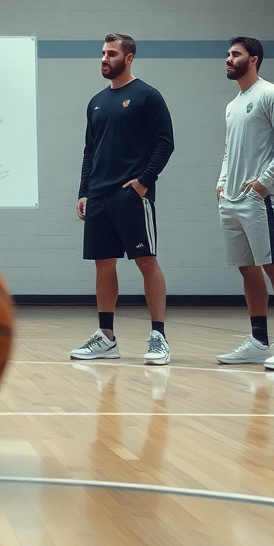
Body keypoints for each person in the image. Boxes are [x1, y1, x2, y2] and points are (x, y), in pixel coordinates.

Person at [70, 34, 175, 366]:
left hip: (131, 195)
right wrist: (84, 191)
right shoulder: (96, 101)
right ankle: (107, 337)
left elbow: (165, 143)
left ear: (128, 58)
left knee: (146, 262)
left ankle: (158, 336)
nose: (104, 58)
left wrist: (143, 183)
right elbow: (90, 151)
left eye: (111, 53)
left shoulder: (147, 96)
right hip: (99, 195)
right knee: (104, 265)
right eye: (102, 53)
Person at [215, 37, 274, 370]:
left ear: (252, 60)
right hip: (232, 199)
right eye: (228, 54)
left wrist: (263, 183)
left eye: (234, 54)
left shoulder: (270, 94)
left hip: (260, 199)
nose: (228, 59)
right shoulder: (233, 104)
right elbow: (229, 150)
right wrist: (222, 183)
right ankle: (257, 341)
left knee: (273, 267)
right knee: (246, 268)